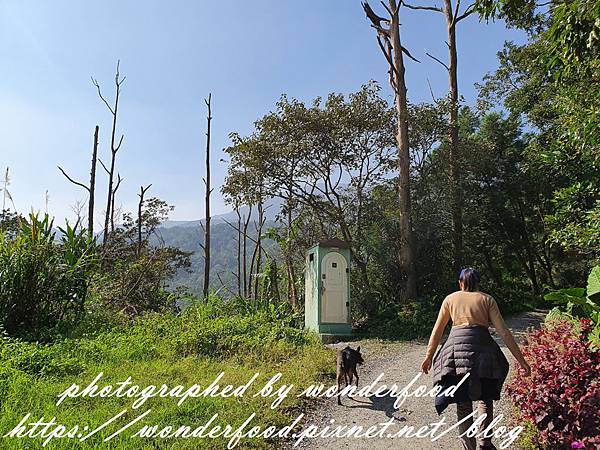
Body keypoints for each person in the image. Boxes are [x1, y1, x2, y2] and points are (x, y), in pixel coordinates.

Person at [420, 268, 531, 450]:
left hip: (455, 352)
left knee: (463, 403)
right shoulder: (487, 299)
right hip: (483, 351)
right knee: (484, 399)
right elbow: (503, 332)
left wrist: (428, 357)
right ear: (478, 283)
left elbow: (438, 330)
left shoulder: (450, 299)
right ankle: (485, 444)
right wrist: (521, 361)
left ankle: (469, 448)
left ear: (460, 283)